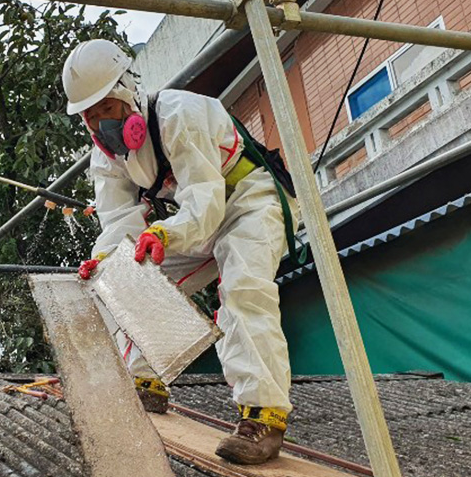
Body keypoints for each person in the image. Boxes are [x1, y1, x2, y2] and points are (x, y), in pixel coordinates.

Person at [63, 39, 300, 465]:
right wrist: (106, 261)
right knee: (126, 278)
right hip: (195, 219)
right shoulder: (107, 159)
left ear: (127, 94)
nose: (101, 125)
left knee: (244, 288)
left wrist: (166, 235)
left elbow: (204, 204)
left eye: (107, 110)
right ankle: (145, 384)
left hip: (249, 198)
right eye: (90, 116)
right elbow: (119, 223)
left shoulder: (179, 114)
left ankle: (263, 417)